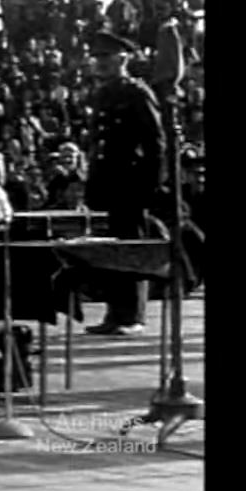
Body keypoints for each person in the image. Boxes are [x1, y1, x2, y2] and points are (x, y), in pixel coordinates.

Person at [83, 31, 165, 337]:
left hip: (131, 183)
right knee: (113, 249)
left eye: (106, 57)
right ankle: (115, 312)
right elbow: (98, 144)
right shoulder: (104, 94)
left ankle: (132, 315)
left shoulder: (136, 92)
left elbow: (155, 142)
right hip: (109, 183)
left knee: (131, 247)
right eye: (97, 58)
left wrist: (152, 183)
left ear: (123, 58)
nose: (100, 63)